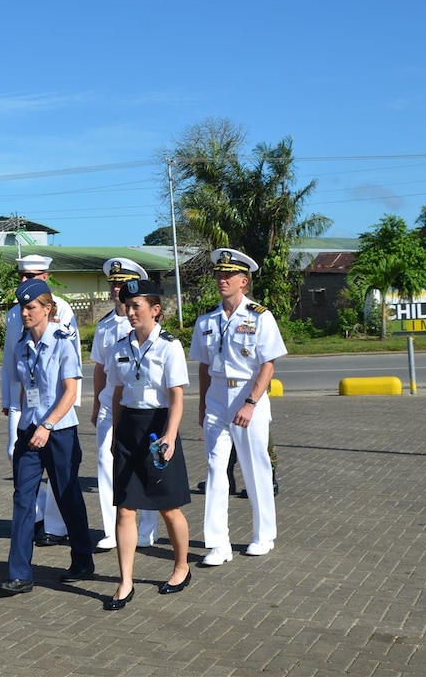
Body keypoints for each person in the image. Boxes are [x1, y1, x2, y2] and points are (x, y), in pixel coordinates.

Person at [188, 248, 287, 567]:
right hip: (217, 398)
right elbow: (203, 367)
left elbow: (267, 365)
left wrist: (250, 403)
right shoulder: (207, 319)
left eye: (228, 275)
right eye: (219, 274)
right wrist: (203, 407)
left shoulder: (260, 316)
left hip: (248, 398)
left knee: (255, 468)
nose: (222, 279)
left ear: (243, 281)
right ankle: (218, 543)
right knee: (216, 468)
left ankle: (263, 535)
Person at [0, 279, 95, 596]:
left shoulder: (64, 342)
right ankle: (20, 574)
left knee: (67, 495)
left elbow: (70, 392)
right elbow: (24, 388)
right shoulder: (22, 345)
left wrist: (47, 425)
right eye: (23, 307)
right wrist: (24, 424)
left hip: (60, 430)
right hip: (30, 431)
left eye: (31, 307)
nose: (25, 313)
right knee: (22, 499)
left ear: (47, 309)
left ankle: (82, 560)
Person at [103, 279, 192, 610]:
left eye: (136, 306)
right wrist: (115, 432)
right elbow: (116, 393)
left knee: (169, 505)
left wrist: (170, 435)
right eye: (127, 306)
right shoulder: (120, 346)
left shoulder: (169, 347)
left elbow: (177, 395)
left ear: (155, 310)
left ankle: (181, 566)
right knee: (125, 507)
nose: (130, 312)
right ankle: (125, 581)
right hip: (129, 427)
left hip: (159, 428)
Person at [1, 254, 79, 547]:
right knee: (16, 458)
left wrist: (63, 411)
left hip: (54, 407)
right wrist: (10, 399)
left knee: (61, 478)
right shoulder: (13, 313)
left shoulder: (62, 309)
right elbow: (11, 359)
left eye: (31, 276)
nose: (25, 281)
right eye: (22, 276)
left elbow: (67, 363)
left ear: (45, 277)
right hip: (24, 401)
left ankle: (57, 526)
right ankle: (36, 517)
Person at [90, 258, 158, 551]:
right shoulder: (105, 325)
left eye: (123, 284)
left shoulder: (144, 321)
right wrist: (95, 404)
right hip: (109, 404)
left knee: (145, 466)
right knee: (107, 464)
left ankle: (147, 528)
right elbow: (98, 368)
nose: (117, 289)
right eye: (114, 284)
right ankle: (111, 528)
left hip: (140, 404)